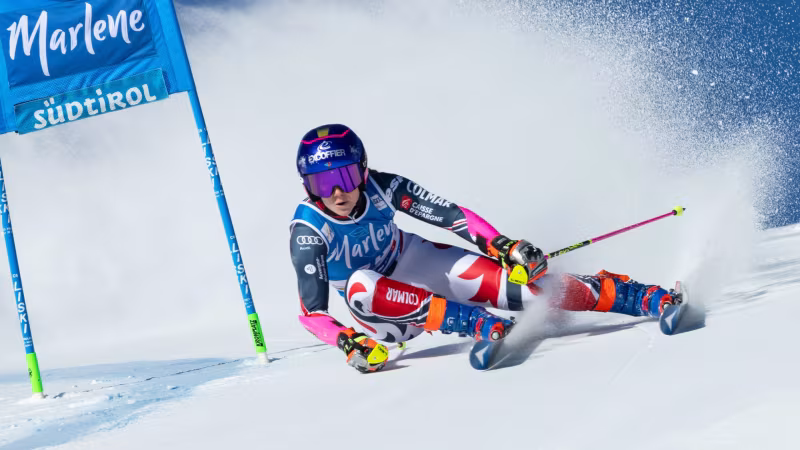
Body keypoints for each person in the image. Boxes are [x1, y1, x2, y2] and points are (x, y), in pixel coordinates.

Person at [290, 124, 679, 373]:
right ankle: (476, 322)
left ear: (362, 170)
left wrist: (502, 246)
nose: (337, 193)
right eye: (322, 184)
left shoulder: (383, 186)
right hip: (385, 316)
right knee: (360, 284)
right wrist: (348, 342)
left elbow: (451, 216)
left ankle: (641, 296)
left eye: (345, 177)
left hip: (414, 260)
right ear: (308, 187)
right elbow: (312, 313)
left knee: (529, 290)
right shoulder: (308, 230)